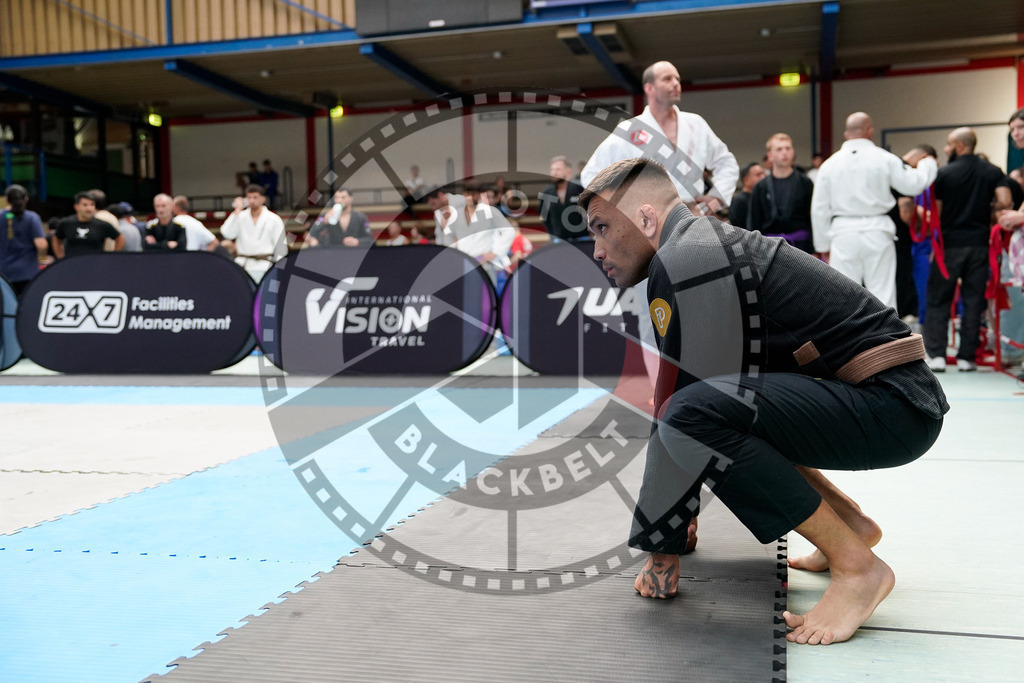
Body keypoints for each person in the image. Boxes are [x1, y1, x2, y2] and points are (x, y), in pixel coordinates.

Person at [580, 156, 946, 645]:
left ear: (646, 218)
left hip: (892, 405)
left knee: (693, 414)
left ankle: (857, 569)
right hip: (893, 399)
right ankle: (849, 525)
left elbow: (680, 403)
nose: (598, 248)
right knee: (716, 409)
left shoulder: (685, 258)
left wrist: (661, 544)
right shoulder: (699, 246)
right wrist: (672, 520)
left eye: (603, 228)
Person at [811, 112, 938, 309]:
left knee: (842, 295)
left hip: (843, 233)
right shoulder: (884, 159)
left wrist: (822, 245)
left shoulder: (829, 166)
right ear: (870, 131)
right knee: (882, 294)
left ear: (846, 134)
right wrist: (928, 163)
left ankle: (846, 339)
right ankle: (884, 339)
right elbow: (914, 185)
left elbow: (819, 208)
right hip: (877, 231)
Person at [581, 61, 738, 214]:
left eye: (677, 78)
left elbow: (726, 163)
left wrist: (717, 197)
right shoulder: (630, 130)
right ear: (649, 88)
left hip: (692, 215)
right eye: (667, 79)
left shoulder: (695, 124)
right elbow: (591, 174)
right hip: (649, 220)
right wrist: (626, 207)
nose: (676, 83)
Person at [923, 127, 1013, 371]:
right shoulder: (992, 171)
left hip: (950, 245)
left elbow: (937, 215)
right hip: (979, 244)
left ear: (960, 146)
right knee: (974, 300)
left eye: (948, 145)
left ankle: (937, 355)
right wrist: (986, 210)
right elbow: (1005, 202)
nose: (945, 149)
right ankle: (967, 358)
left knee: (939, 298)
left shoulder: (945, 173)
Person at [747, 133, 815, 253]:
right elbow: (754, 221)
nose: (784, 152)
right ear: (770, 156)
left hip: (801, 246)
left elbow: (812, 218)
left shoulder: (805, 183)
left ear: (793, 152)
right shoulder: (760, 187)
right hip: (769, 248)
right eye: (779, 149)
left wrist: (814, 249)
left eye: (788, 148)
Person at [219, 183, 287, 281]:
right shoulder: (240, 216)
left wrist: (280, 268)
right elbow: (226, 233)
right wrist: (236, 210)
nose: (252, 201)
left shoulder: (274, 219)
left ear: (263, 199)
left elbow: (281, 248)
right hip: (243, 264)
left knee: (264, 295)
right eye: (249, 197)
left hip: (265, 265)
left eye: (255, 197)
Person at [1, 185, 48, 295]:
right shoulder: (32, 217)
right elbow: (41, 245)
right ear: (26, 199)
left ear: (6, 199)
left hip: (3, 274)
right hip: (27, 272)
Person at [53, 191, 125, 258]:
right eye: (85, 205)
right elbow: (56, 238)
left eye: (92, 205)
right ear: (76, 207)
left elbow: (120, 238)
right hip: (72, 265)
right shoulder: (67, 223)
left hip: (95, 265)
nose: (89, 208)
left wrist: (112, 257)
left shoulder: (101, 225)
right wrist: (60, 257)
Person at [538, 155, 586, 241]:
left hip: (583, 237)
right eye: (552, 170)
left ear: (568, 171)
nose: (554, 173)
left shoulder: (580, 188)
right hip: (559, 239)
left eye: (558, 170)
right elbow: (544, 217)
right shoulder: (546, 193)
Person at [307, 188, 373, 247]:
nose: (339, 200)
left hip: (354, 253)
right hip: (332, 253)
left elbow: (370, 239)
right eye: (336, 197)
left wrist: (358, 241)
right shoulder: (325, 216)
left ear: (350, 198)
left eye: (343, 197)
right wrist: (324, 222)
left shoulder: (360, 217)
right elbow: (311, 234)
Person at [727, 162, 765, 229]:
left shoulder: (761, 197)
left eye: (763, 174)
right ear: (746, 180)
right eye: (758, 175)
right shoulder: (739, 201)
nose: (763, 177)